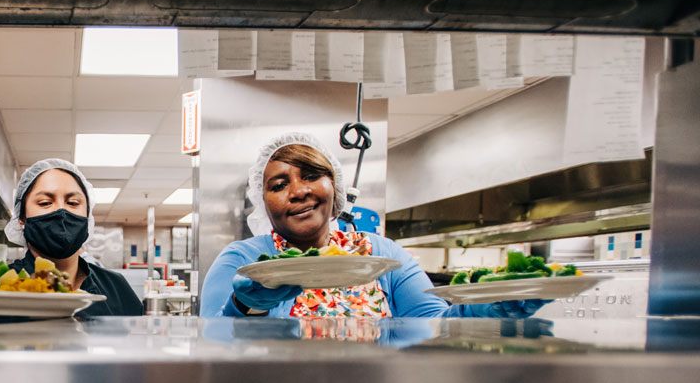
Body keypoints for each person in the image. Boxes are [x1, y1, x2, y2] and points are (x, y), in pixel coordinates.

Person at [200, 131, 546, 319]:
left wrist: (486, 309)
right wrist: (246, 306)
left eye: (311, 176)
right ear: (263, 203)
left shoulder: (380, 254)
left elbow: (433, 326)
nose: (299, 191)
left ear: (334, 185)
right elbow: (212, 347)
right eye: (278, 185)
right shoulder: (243, 261)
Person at [4, 159, 142, 317]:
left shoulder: (116, 287)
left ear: (87, 217)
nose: (61, 211)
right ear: (22, 219)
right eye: (45, 203)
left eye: (73, 203)